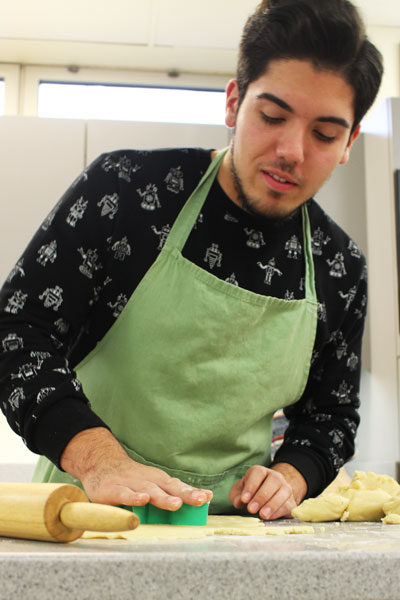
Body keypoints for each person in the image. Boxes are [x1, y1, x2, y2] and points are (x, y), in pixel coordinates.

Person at [0, 0, 383, 520]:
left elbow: (331, 416)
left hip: (232, 535)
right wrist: (99, 460)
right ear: (233, 104)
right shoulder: (127, 194)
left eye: (324, 134)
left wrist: (291, 476)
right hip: (86, 519)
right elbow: (17, 333)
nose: (292, 150)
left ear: (349, 143)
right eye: (272, 116)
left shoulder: (339, 267)